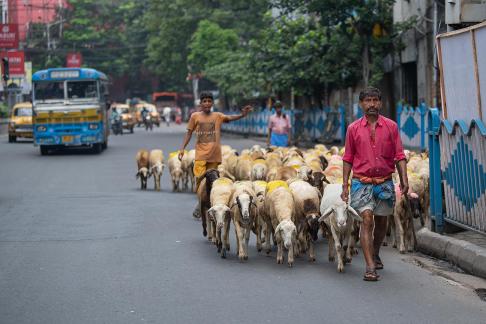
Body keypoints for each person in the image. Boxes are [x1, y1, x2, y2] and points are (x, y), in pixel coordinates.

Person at [341, 87, 408, 282]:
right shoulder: (353, 128)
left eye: (375, 100)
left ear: (380, 103)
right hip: (361, 182)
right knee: (367, 220)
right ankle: (370, 266)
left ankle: (375, 251)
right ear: (361, 104)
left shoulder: (391, 127)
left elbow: (400, 155)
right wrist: (345, 185)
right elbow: (348, 158)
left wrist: (404, 179)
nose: (371, 104)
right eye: (367, 101)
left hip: (384, 182)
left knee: (381, 222)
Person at [178, 92, 252, 217]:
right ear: (200, 103)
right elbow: (189, 133)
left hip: (214, 155)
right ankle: (201, 202)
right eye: (204, 101)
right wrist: (182, 148)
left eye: (209, 101)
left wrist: (242, 115)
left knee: (213, 182)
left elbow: (230, 118)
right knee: (200, 180)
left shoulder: (218, 116)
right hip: (201, 155)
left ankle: (211, 204)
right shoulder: (195, 116)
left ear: (212, 103)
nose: (207, 103)